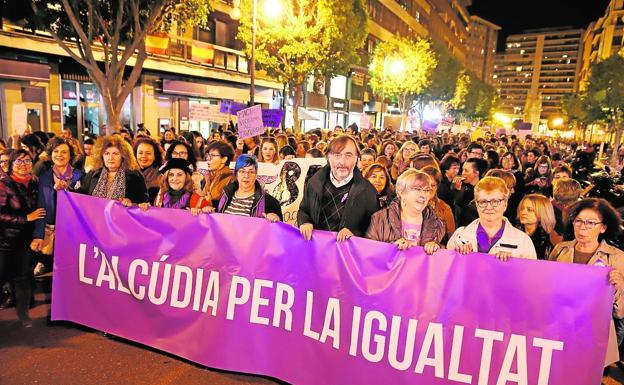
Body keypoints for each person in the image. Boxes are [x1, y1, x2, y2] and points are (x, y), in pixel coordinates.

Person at [548, 198, 624, 365]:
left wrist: (619, 287)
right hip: (560, 326)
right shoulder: (561, 249)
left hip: (595, 332)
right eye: (579, 221)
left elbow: (620, 312)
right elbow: (548, 287)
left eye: (590, 223)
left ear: (603, 227)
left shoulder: (617, 257)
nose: (582, 227)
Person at [298, 135, 378, 242]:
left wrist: (355, 232)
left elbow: (375, 227)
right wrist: (305, 222)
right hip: (316, 250)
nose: (342, 162)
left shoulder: (368, 191)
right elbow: (304, 210)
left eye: (348, 155)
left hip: (346, 255)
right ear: (328, 157)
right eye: (337, 155)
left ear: (356, 158)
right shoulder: (314, 183)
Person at [0, 149, 46, 327]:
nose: (24, 164)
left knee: (23, 278)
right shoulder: (4, 184)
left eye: (27, 161)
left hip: (26, 242)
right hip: (6, 241)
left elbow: (41, 210)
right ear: (10, 165)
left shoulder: (35, 182)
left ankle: (24, 315)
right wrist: (25, 218)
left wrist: (37, 235)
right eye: (18, 161)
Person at [448, 176, 537, 260]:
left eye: (495, 201)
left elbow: (531, 274)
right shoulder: (459, 236)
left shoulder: (523, 241)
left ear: (505, 204)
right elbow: (447, 270)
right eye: (483, 202)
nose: (489, 207)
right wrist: (457, 255)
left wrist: (513, 264)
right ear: (476, 205)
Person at [366, 169, 444, 254]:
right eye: (417, 189)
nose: (423, 195)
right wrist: (392, 247)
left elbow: (447, 259)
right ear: (401, 192)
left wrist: (437, 248)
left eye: (426, 190)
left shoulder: (439, 224)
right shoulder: (379, 219)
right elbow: (368, 253)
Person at [30, 138, 83, 261]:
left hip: (74, 232)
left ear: (70, 156)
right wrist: (38, 235)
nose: (59, 155)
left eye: (64, 152)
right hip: (51, 231)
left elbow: (84, 204)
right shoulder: (44, 177)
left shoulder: (80, 176)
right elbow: (41, 207)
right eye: (56, 151)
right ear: (50, 154)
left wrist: (68, 190)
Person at [79, 135, 149, 206]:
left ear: (123, 156)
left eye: (115, 154)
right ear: (101, 156)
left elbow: (144, 202)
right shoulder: (93, 173)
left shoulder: (135, 176)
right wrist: (67, 190)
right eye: (107, 154)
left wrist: (132, 203)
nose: (111, 158)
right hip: (95, 215)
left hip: (120, 216)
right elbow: (81, 195)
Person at [217, 155, 282, 221]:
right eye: (242, 171)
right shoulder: (224, 195)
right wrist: (208, 210)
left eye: (251, 172)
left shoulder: (270, 203)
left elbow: (280, 229)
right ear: (236, 174)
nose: (246, 175)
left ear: (256, 174)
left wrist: (276, 221)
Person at [517, 194, 557, 260]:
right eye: (522, 208)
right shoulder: (513, 232)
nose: (523, 212)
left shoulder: (550, 240)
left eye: (529, 210)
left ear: (542, 212)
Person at [421, 166, 455, 242]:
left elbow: (451, 237)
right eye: (425, 184)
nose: (429, 188)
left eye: (432, 185)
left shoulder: (445, 208)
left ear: (437, 186)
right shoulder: (410, 203)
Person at [453, 158, 488, 227]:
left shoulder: (483, 191)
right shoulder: (460, 186)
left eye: (466, 171)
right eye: (462, 170)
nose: (463, 173)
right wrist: (457, 191)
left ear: (476, 173)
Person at [201, 141, 235, 207]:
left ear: (224, 159)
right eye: (208, 156)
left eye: (212, 156)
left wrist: (210, 203)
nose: (208, 159)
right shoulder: (206, 178)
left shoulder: (231, 180)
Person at [133, 137, 164, 205]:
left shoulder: (161, 178)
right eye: (140, 153)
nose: (143, 156)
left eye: (148, 153)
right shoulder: (129, 174)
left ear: (155, 156)